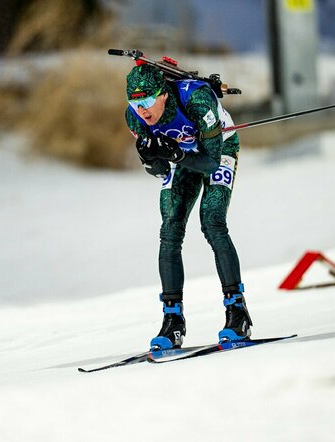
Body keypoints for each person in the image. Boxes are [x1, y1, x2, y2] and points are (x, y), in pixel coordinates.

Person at [124, 62, 253, 350]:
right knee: (170, 229)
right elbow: (158, 171)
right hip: (181, 156)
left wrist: (176, 154)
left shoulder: (197, 100)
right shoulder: (135, 118)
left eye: (146, 101)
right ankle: (173, 323)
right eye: (134, 103)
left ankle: (238, 313)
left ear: (164, 94)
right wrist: (150, 159)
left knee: (212, 221)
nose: (142, 110)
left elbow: (209, 161)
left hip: (218, 150)